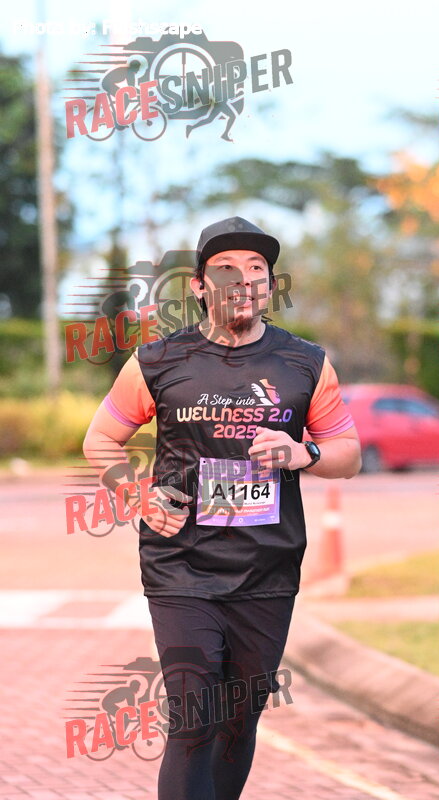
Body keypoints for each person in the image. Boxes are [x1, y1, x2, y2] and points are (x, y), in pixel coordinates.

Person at [83, 216, 361, 800]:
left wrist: (303, 452)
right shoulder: (158, 361)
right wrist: (138, 494)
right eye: (227, 268)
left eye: (257, 269)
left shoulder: (306, 363)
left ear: (269, 286)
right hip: (181, 565)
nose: (244, 280)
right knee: (194, 718)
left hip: (268, 568)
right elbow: (100, 440)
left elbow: (349, 453)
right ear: (199, 285)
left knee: (238, 720)